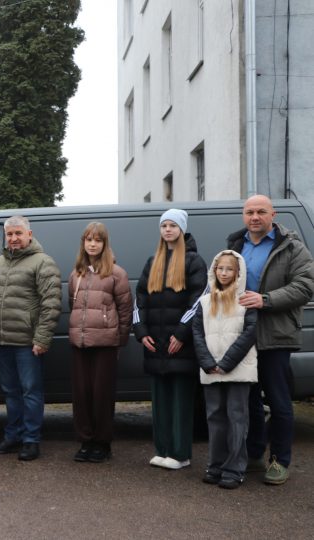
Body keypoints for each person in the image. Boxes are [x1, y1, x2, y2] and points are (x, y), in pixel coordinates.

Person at [226, 194, 314, 485]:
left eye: (261, 211)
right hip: (242, 335)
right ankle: (253, 454)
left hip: (276, 334)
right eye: (250, 212)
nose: (255, 217)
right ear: (244, 215)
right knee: (249, 400)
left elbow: (305, 286)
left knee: (279, 401)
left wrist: (265, 299)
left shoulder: (292, 246)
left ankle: (279, 461)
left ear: (273, 215)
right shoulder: (235, 245)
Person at [133, 209, 207, 470]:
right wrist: (141, 332)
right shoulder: (152, 261)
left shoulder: (194, 261)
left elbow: (199, 300)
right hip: (155, 343)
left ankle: (180, 454)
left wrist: (181, 333)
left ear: (181, 229)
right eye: (164, 225)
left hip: (180, 345)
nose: (167, 230)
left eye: (172, 225)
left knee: (180, 402)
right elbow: (140, 299)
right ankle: (162, 450)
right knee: (160, 401)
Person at [0, 215, 61, 461]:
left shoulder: (43, 262)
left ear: (29, 234)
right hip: (2, 341)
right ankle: (13, 436)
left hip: (28, 343)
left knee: (31, 392)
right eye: (9, 234)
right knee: (10, 392)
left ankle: (31, 440)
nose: (14, 238)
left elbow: (51, 304)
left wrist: (42, 338)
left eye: (18, 233)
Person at [192, 250, 258, 489]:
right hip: (211, 370)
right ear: (214, 270)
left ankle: (235, 468)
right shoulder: (204, 302)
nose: (224, 273)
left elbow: (250, 332)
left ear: (238, 273)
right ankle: (215, 465)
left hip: (238, 370)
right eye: (220, 268)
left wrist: (227, 362)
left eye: (229, 269)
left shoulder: (246, 300)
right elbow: (197, 332)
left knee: (236, 418)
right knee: (215, 418)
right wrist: (207, 362)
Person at [67, 222, 133, 463]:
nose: (92, 244)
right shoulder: (76, 274)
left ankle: (102, 443)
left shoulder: (117, 273)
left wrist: (119, 341)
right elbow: (72, 305)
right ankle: (85, 441)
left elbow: (125, 310)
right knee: (82, 394)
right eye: (88, 240)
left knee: (102, 395)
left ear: (105, 244)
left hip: (105, 343)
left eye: (97, 240)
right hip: (80, 343)